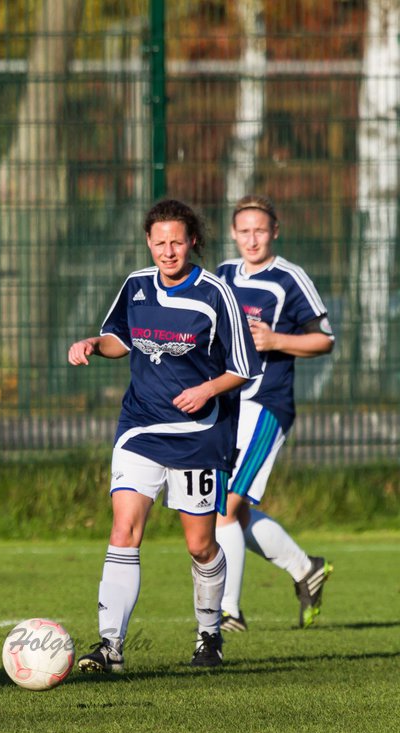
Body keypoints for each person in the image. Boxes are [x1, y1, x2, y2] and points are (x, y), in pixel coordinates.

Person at [67, 199, 259, 671]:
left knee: (200, 545)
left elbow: (244, 367)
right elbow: (120, 338)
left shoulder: (215, 293)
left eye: (177, 241)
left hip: (199, 433)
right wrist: (94, 344)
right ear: (148, 243)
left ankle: (209, 635)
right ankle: (110, 646)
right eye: (159, 242)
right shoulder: (135, 286)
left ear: (192, 240)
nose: (168, 251)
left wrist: (206, 389)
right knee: (123, 529)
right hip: (140, 428)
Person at [214, 195, 336, 632]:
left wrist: (276, 341)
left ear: (275, 231)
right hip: (227, 407)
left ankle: (227, 611)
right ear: (233, 233)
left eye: (260, 230)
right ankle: (306, 569)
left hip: (268, 406)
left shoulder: (289, 278)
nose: (252, 238)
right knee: (231, 512)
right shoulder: (223, 274)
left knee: (224, 506)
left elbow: (324, 340)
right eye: (244, 230)